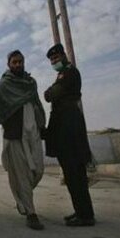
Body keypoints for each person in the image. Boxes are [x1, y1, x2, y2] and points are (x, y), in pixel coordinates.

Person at [0, 50, 46, 230]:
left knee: (38, 170)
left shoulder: (31, 83)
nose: (17, 65)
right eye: (14, 62)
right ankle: (31, 213)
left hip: (33, 132)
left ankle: (22, 199)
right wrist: (8, 119)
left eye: (20, 61)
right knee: (22, 175)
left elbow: (37, 103)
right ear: (9, 64)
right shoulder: (4, 84)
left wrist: (41, 123)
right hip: (15, 135)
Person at [43, 43, 95, 227]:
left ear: (63, 56)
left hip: (70, 128)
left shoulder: (69, 72)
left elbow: (50, 94)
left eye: (56, 58)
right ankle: (80, 211)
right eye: (51, 60)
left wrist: (51, 91)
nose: (54, 61)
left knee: (76, 174)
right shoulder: (62, 74)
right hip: (65, 127)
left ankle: (86, 215)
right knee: (71, 176)